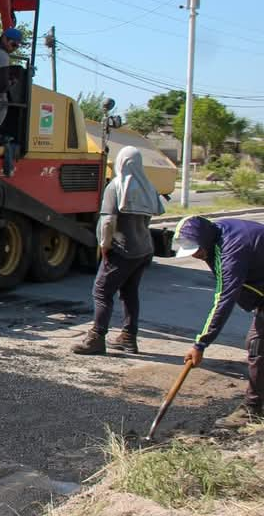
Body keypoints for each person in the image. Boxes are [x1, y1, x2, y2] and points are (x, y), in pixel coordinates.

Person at [72, 146, 164, 355]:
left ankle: (96, 338)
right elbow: (156, 211)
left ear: (121, 162)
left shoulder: (116, 186)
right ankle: (128, 338)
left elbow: (107, 222)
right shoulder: (148, 186)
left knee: (101, 291)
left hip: (123, 250)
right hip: (144, 250)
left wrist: (104, 246)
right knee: (130, 293)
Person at [174, 215, 264, 428]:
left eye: (196, 250)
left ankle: (253, 409)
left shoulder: (231, 251)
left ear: (203, 240)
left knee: (257, 344)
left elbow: (224, 300)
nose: (195, 256)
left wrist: (201, 344)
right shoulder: (217, 232)